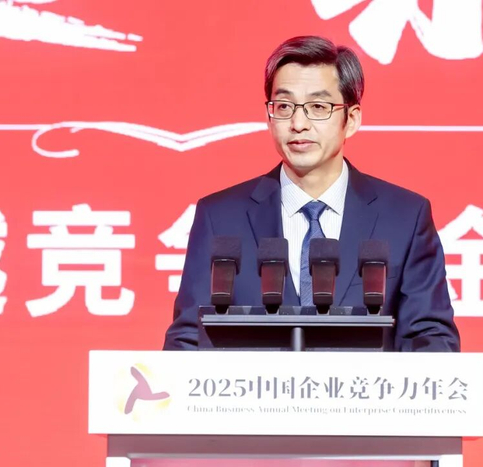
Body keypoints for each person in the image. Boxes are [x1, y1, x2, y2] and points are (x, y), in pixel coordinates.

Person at [163, 35, 459, 352]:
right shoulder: (220, 217)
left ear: (352, 119)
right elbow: (188, 340)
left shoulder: (404, 218)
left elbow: (432, 340)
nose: (298, 123)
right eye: (284, 106)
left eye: (318, 107)